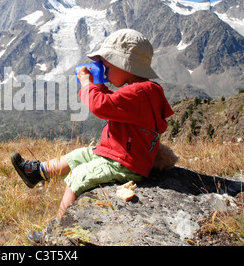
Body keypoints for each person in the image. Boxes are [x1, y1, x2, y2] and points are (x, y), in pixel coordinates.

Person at [11, 28, 174, 245]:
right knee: (78, 155)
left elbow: (101, 106)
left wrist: (89, 84)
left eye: (106, 66)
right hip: (115, 154)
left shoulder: (138, 92)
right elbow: (116, 106)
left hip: (123, 164)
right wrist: (98, 85)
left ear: (124, 64)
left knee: (78, 176)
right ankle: (38, 172)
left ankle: (58, 231)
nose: (104, 72)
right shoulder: (144, 90)